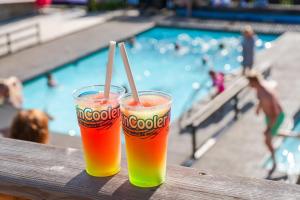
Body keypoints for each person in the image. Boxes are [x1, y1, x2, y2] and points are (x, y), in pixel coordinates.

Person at [247, 72, 285, 176]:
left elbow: (276, 113)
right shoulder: (259, 89)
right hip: (269, 116)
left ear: (254, 81)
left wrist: (269, 127)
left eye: (249, 83)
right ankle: (280, 133)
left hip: (276, 117)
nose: (248, 85)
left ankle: (274, 162)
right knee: (269, 134)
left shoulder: (266, 93)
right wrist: (258, 108)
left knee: (267, 140)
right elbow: (260, 99)